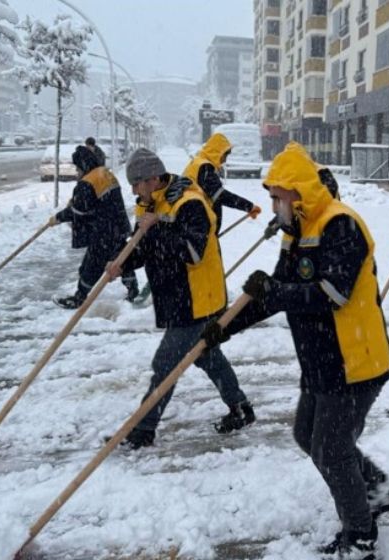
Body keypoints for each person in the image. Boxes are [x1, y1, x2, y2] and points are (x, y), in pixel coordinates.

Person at [201, 144, 389, 559]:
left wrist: (277, 290)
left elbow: (333, 294)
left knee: (331, 449)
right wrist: (224, 326)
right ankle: (379, 491)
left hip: (356, 361)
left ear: (298, 193)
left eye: (277, 196)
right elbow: (272, 296)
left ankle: (360, 538)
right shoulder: (298, 234)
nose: (273, 205)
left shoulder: (340, 226)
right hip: (322, 360)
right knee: (307, 436)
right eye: (271, 196)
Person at [105, 148, 255, 449]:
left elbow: (192, 252)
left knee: (166, 365)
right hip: (176, 296)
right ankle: (240, 408)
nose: (134, 191)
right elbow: (145, 246)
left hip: (198, 298)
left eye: (136, 184)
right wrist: (122, 262)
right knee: (207, 356)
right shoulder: (150, 204)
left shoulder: (191, 203)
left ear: (152, 179)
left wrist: (156, 228)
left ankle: (143, 430)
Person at [50, 146, 138, 308]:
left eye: (77, 168)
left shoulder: (87, 182)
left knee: (91, 266)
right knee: (121, 259)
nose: (77, 172)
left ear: (83, 166)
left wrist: (58, 217)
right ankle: (133, 291)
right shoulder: (104, 173)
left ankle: (79, 298)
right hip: (118, 227)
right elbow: (97, 202)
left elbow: (79, 210)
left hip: (103, 232)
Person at [182, 132, 261, 233]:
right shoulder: (205, 167)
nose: (224, 161)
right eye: (224, 156)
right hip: (197, 226)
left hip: (192, 222)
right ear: (216, 152)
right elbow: (220, 195)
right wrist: (248, 206)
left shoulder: (198, 163)